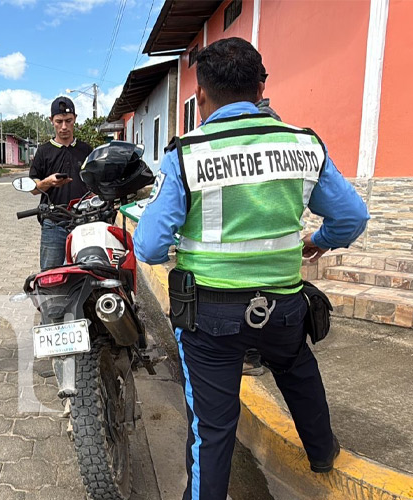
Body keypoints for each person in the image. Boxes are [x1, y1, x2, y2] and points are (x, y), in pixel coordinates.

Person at [133, 37, 369, 500]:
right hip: (283, 308)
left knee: (212, 426)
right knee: (297, 366)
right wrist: (315, 242)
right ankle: (322, 451)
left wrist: (180, 247)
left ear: (200, 94)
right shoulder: (304, 144)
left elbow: (149, 245)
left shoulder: (188, 152)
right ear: (262, 86)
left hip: (211, 320)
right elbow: (352, 217)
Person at [243, 63, 280, 377]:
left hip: (255, 221)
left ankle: (253, 356)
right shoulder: (276, 123)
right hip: (263, 222)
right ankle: (257, 352)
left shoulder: (260, 122)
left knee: (255, 294)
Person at [29, 96, 92, 269]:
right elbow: (34, 189)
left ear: (75, 119)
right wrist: (48, 182)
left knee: (86, 273)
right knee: (50, 276)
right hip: (53, 222)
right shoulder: (43, 152)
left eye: (68, 121)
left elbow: (95, 183)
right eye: (59, 121)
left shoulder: (86, 150)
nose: (64, 127)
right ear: (52, 121)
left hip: (83, 221)